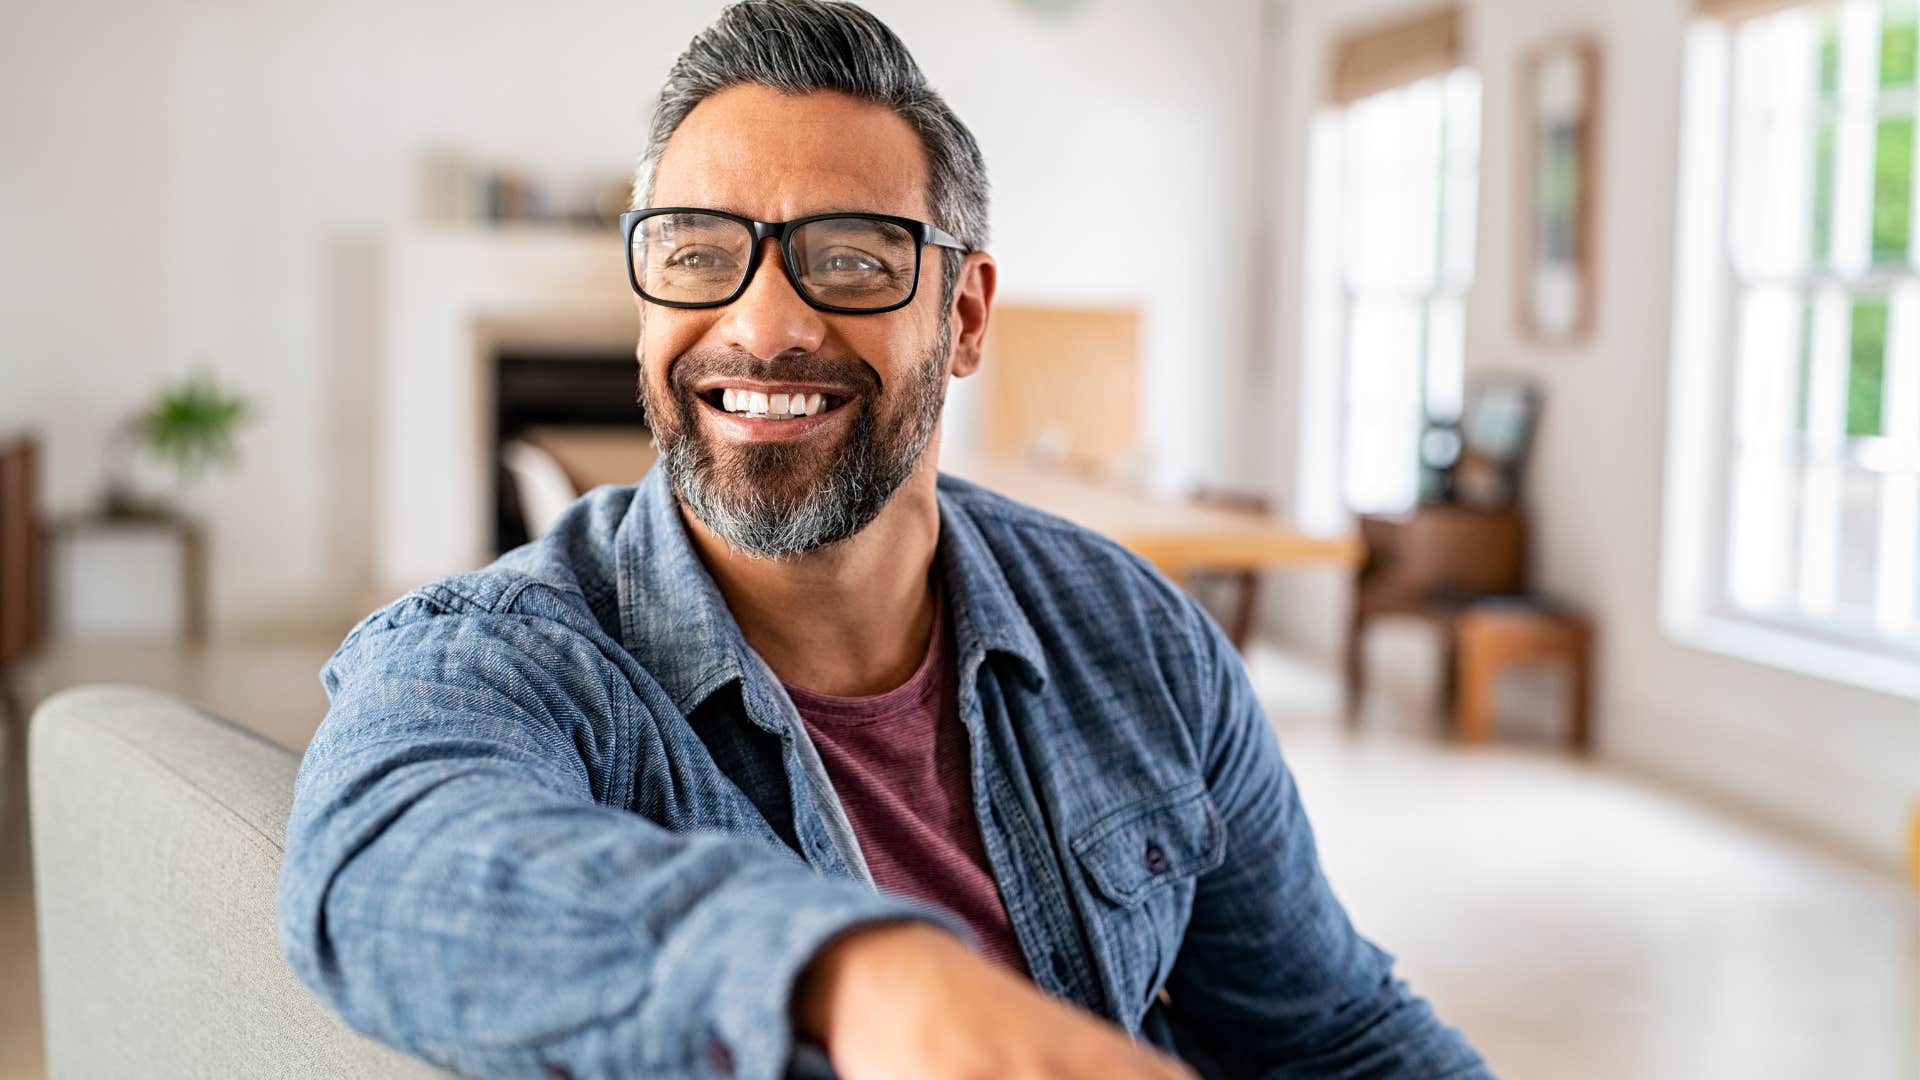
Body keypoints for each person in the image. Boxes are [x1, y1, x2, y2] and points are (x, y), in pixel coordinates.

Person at [277, 2, 1492, 1078]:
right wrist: (859, 978)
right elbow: (380, 867)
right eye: (698, 253)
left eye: (852, 258)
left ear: (964, 316)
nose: (762, 325)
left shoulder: (1136, 635)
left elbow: (1330, 1032)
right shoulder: (508, 654)